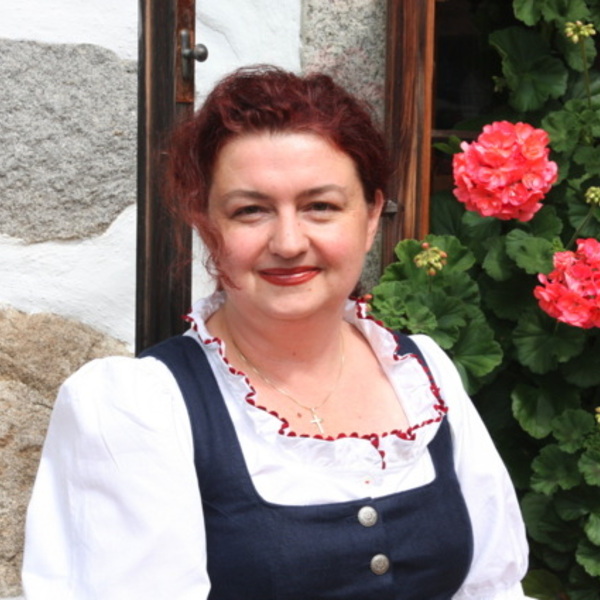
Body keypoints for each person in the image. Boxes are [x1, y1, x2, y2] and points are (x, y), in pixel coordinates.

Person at [23, 65, 529, 599]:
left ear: (371, 216)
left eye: (320, 207)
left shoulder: (423, 376)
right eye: (251, 211)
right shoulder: (141, 407)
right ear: (205, 223)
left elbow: (492, 590)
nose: (288, 242)